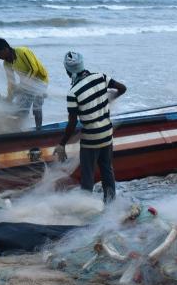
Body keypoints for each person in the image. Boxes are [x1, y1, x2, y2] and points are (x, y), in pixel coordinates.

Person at [54, 51, 126, 203]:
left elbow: (72, 124)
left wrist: (62, 144)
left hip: (91, 139)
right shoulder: (101, 77)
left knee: (87, 175)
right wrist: (109, 98)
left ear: (68, 70)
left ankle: (86, 208)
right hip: (107, 134)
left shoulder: (73, 93)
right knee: (107, 170)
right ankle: (110, 204)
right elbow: (123, 88)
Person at [0, 37, 49, 130]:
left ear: (5, 49)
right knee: (21, 108)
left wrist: (23, 85)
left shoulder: (22, 51)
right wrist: (9, 98)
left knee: (36, 107)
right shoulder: (6, 64)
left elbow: (34, 69)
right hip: (25, 83)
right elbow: (11, 82)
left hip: (40, 80)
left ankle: (39, 130)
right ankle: (20, 130)